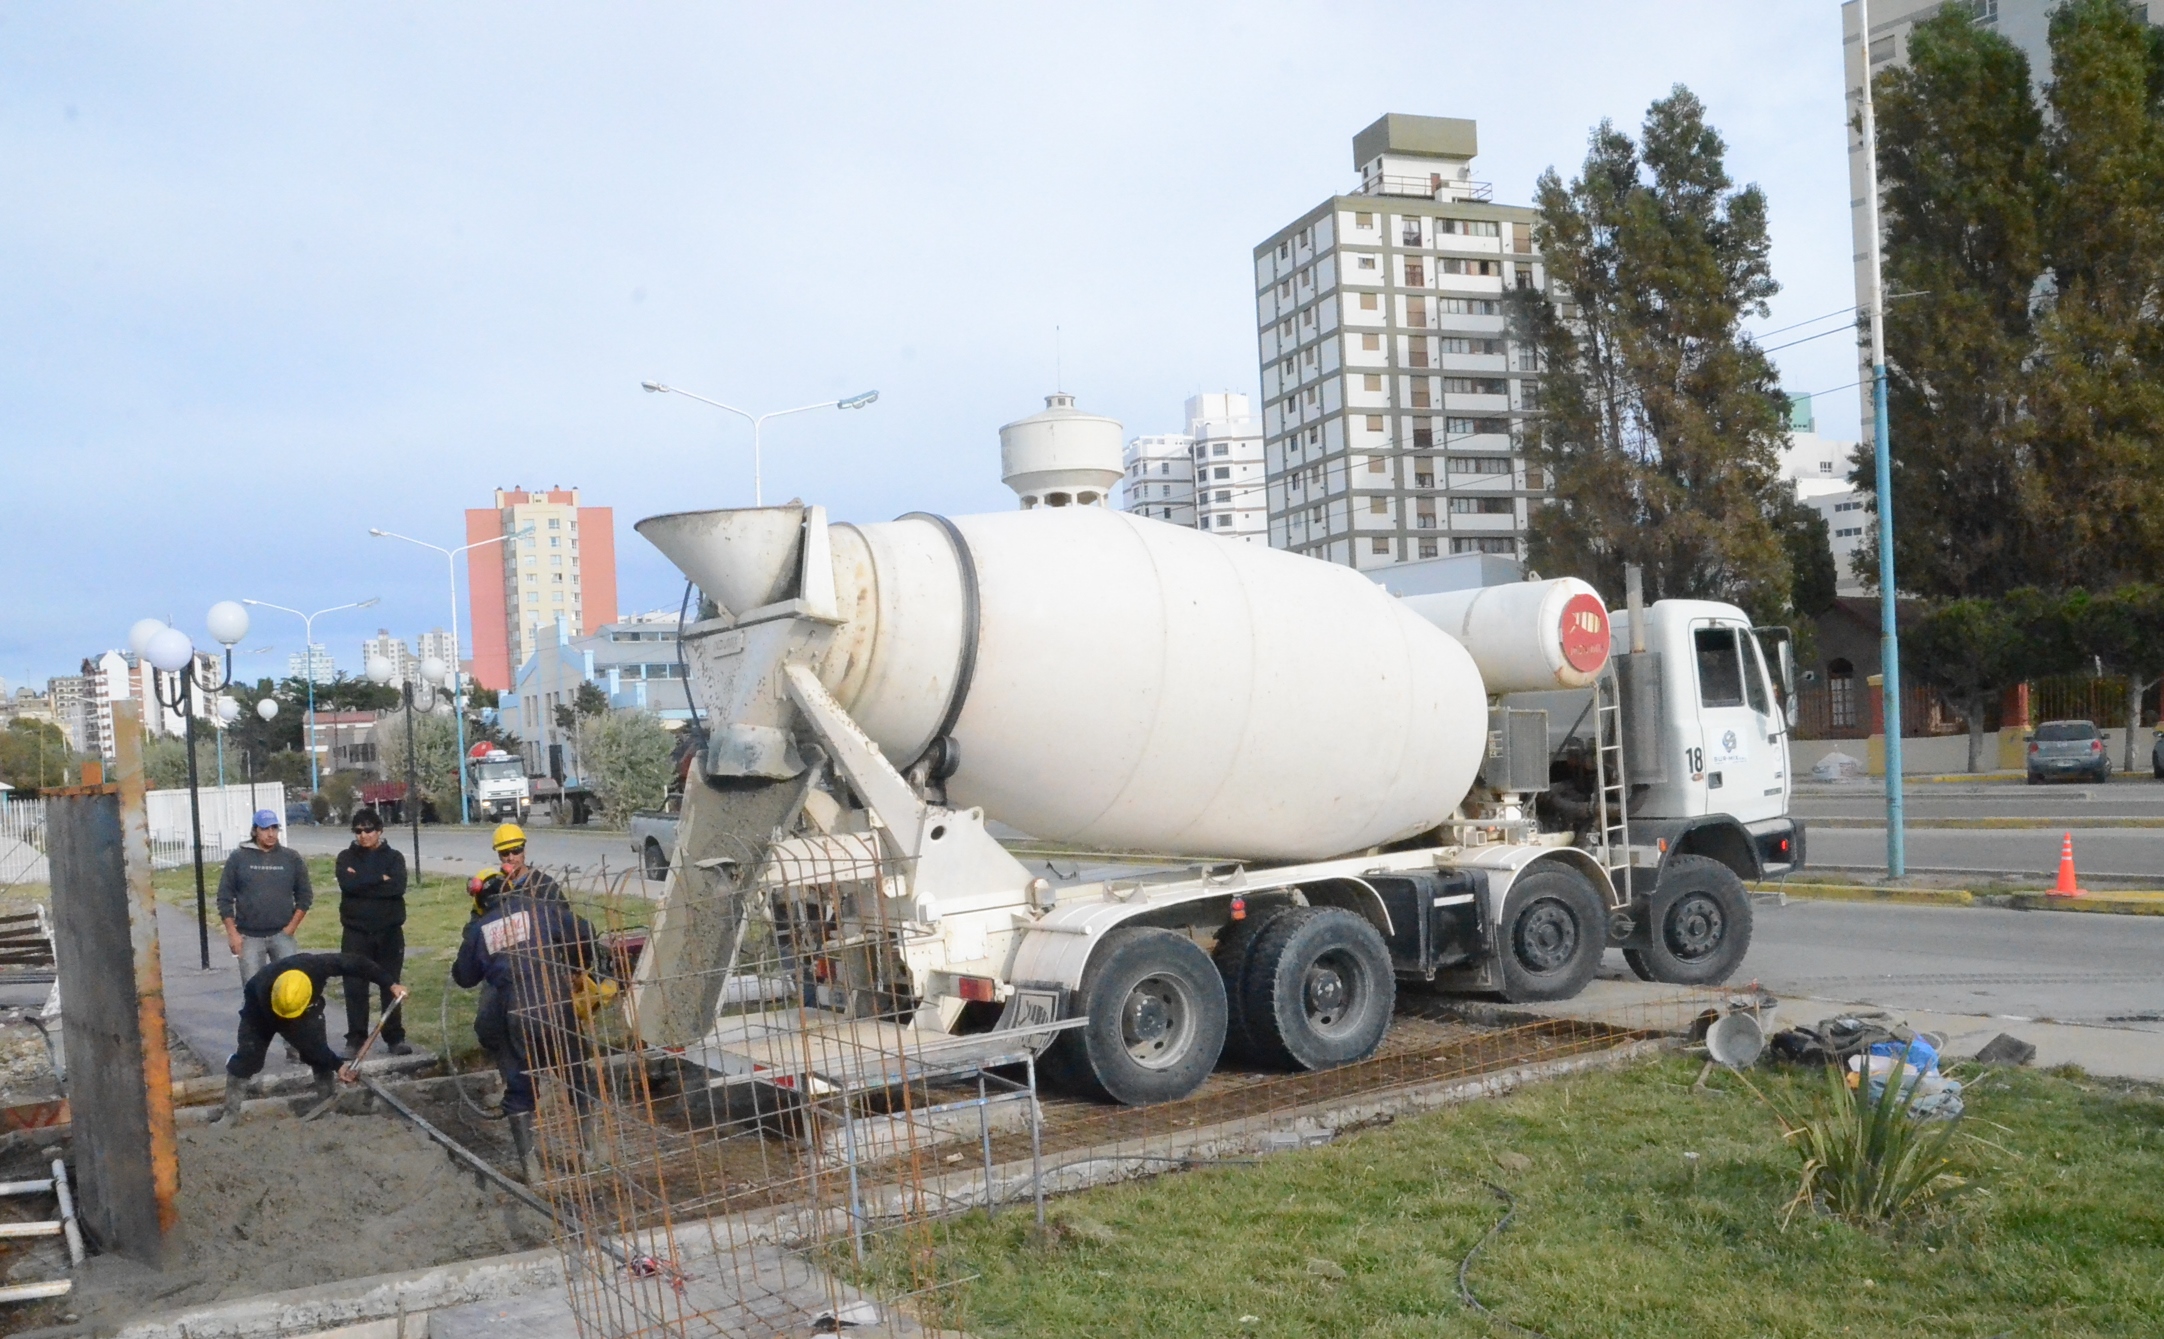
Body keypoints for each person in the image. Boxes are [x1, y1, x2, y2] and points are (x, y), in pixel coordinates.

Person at [452, 851, 604, 1182]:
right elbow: (587, 934)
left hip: (516, 1013)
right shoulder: (540, 909)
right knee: (577, 1075)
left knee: (521, 1085)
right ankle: (591, 1152)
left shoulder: (481, 928)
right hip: (557, 1005)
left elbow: (463, 977)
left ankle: (531, 1169)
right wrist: (577, 965)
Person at [220, 952, 408, 1122]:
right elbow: (305, 1041)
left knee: (318, 1058)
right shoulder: (262, 986)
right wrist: (338, 1065)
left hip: (308, 1007)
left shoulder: (315, 966)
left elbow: (356, 962)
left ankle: (326, 1107)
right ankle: (230, 1114)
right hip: (259, 1011)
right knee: (248, 1058)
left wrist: (390, 984)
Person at [334, 807, 411, 1058]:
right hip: (355, 932)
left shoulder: (395, 858)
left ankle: (394, 1037)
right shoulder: (345, 857)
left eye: (368, 830)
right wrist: (380, 879)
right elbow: (348, 885)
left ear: (379, 831)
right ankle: (356, 1039)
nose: (363, 835)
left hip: (389, 932)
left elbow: (397, 887)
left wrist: (363, 880)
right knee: (355, 986)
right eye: (358, 831)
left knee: (390, 984)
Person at [216, 809, 312, 985]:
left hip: (282, 935)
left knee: (288, 988)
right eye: (265, 829)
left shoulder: (291, 858)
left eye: (274, 828)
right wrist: (233, 934)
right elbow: (224, 897)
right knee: (254, 989)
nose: (270, 833)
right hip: (249, 937)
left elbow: (305, 896)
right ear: (255, 831)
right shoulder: (239, 857)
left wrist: (291, 928)